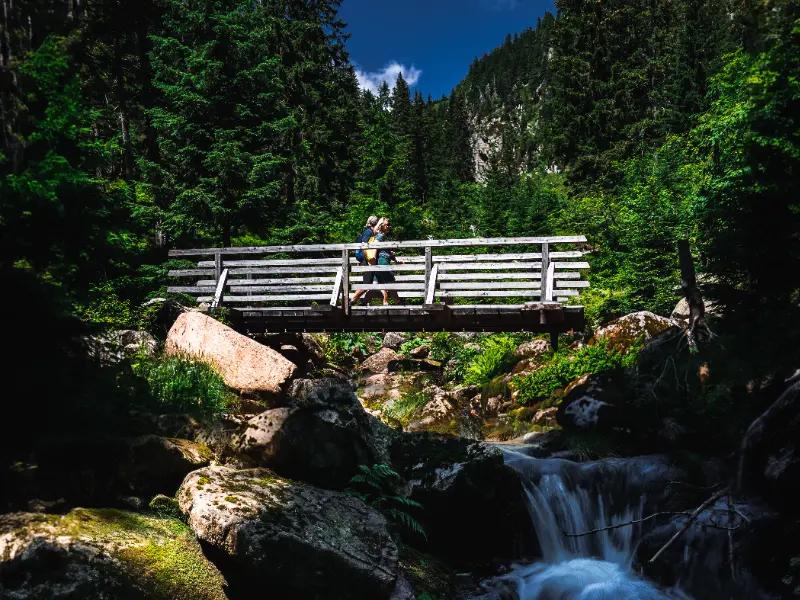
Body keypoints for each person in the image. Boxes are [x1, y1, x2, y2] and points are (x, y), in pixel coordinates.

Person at [351, 215, 379, 304]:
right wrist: (367, 259)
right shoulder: (368, 232)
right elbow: (364, 245)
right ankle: (351, 300)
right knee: (367, 283)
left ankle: (361, 302)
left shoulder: (370, 231)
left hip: (366, 258)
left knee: (368, 283)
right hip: (365, 258)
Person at [373, 217, 400, 305]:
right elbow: (375, 245)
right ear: (382, 225)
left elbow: (384, 250)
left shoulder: (383, 236)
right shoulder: (380, 236)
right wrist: (373, 258)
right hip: (383, 261)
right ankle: (397, 302)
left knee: (379, 282)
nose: (389, 226)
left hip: (383, 260)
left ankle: (363, 302)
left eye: (390, 224)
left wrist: (395, 258)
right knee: (390, 282)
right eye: (387, 224)